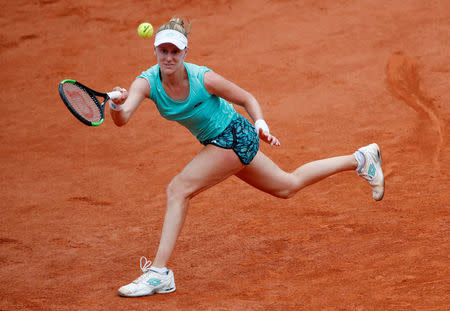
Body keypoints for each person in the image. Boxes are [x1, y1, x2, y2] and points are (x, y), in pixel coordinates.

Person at [110, 18, 385, 297]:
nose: (169, 57)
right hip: (221, 142)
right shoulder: (145, 83)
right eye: (163, 51)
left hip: (234, 136)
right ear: (155, 51)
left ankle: (159, 274)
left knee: (178, 190)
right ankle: (361, 159)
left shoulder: (203, 78)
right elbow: (122, 119)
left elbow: (246, 98)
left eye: (175, 52)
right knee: (287, 186)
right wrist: (115, 105)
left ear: (185, 53)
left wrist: (261, 123)